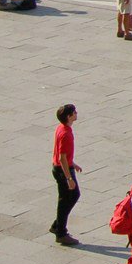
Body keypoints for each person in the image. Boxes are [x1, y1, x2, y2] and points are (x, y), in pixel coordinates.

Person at [49, 104, 82, 246]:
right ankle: (60, 232)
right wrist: (69, 178)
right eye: (74, 112)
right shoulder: (66, 134)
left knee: (70, 197)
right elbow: (62, 157)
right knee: (69, 197)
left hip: (62, 167)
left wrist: (72, 162)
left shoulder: (61, 128)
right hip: (63, 170)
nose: (76, 113)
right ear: (69, 116)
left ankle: (58, 225)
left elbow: (62, 154)